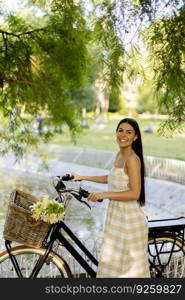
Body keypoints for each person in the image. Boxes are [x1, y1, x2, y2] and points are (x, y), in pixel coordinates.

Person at [72, 118, 150, 278]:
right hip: (116, 218)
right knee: (112, 267)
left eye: (129, 132)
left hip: (129, 221)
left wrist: (104, 194)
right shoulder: (119, 155)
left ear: (135, 137)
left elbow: (134, 193)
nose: (123, 135)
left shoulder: (133, 160)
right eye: (120, 130)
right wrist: (83, 177)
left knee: (127, 272)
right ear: (116, 133)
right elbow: (112, 178)